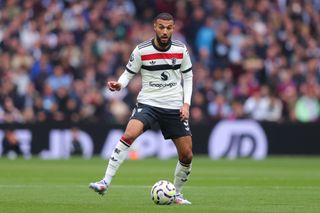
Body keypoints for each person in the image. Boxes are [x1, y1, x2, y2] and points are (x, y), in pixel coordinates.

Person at [89, 13, 193, 204]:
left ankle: (176, 193)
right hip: (149, 103)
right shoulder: (141, 50)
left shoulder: (181, 50)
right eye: (161, 27)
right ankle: (105, 181)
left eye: (168, 28)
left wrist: (186, 104)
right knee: (129, 134)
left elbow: (188, 77)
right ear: (155, 26)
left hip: (174, 106)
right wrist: (120, 85)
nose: (164, 31)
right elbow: (128, 73)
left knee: (187, 154)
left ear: (173, 28)